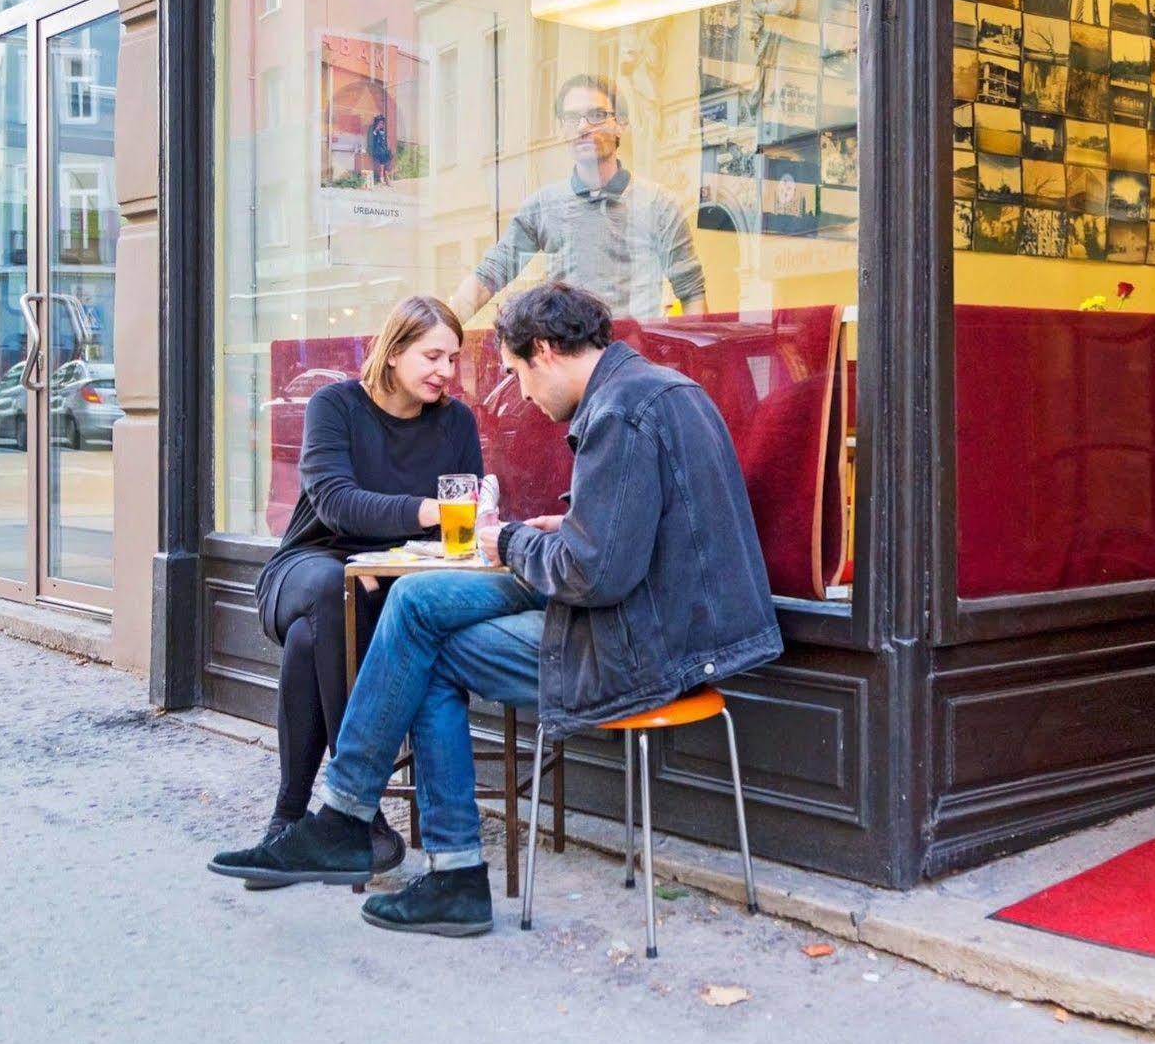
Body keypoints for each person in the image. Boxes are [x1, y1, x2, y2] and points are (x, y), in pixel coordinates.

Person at [209, 282, 780, 936]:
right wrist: (566, 526)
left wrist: (514, 539)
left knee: (425, 646)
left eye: (516, 375)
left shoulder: (617, 412)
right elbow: (632, 537)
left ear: (542, 352)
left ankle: (404, 851)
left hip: (648, 646)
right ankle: (355, 824)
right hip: (667, 618)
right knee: (420, 604)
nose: (527, 400)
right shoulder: (655, 389)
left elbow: (592, 575)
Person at [242, 295, 484, 886]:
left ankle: (291, 825)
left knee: (312, 638)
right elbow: (335, 501)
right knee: (330, 592)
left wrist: (388, 556)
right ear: (394, 350)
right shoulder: (336, 405)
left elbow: (470, 520)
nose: (445, 372)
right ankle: (361, 813)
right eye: (432, 356)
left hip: (391, 577)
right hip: (309, 564)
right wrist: (427, 511)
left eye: (453, 359)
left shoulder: (455, 423)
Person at [447, 75, 709, 323]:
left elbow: (692, 292)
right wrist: (435, 331)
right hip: (564, 359)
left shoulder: (659, 205)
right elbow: (489, 275)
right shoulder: (542, 206)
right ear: (563, 130)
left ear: (621, 124)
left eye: (597, 115)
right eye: (572, 118)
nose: (583, 127)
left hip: (634, 362)